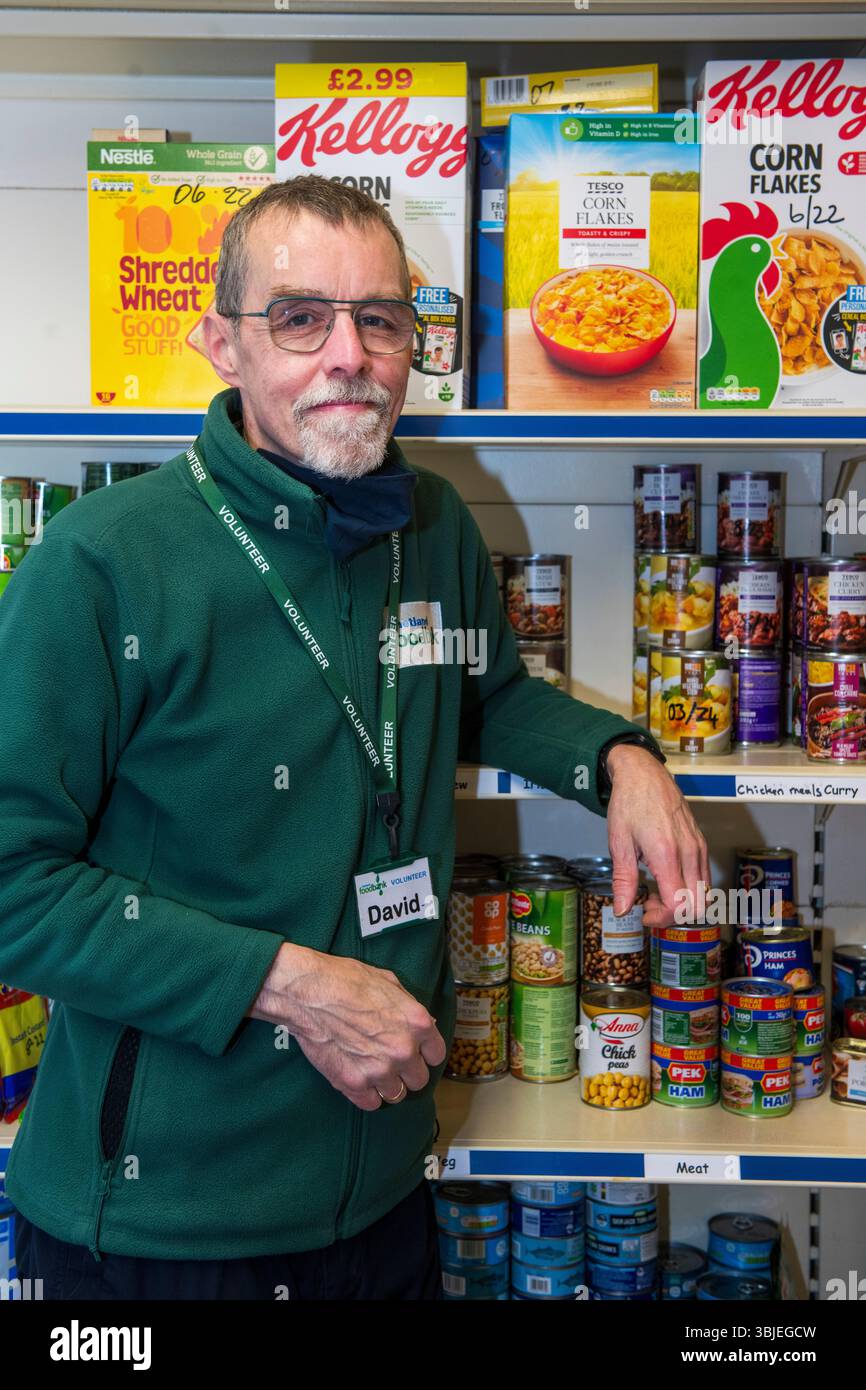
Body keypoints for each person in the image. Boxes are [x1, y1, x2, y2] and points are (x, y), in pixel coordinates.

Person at [0, 175, 708, 1301]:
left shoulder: (425, 527)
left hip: (379, 1199)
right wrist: (284, 983)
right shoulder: (99, 564)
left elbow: (484, 693)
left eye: (379, 318)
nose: (348, 354)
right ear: (218, 342)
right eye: (299, 316)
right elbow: (11, 886)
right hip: (151, 1234)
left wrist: (622, 758)